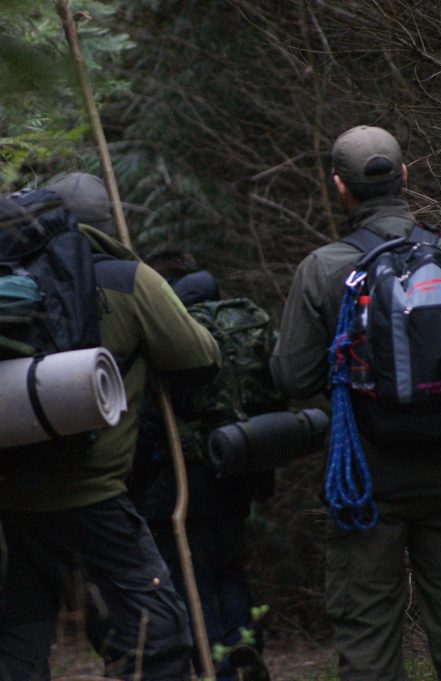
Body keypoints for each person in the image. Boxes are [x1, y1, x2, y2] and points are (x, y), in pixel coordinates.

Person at [270, 126, 441, 681]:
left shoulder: (323, 269)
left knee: (367, 630)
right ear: (405, 177)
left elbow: (293, 375)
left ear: (339, 187)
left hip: (366, 480)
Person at [0, 173, 221, 681]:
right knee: (153, 643)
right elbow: (201, 360)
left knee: (11, 654)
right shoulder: (128, 279)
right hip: (90, 500)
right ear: (110, 224)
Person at [128, 251, 272, 681]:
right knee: (230, 568)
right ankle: (246, 644)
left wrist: (135, 485)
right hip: (238, 471)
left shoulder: (170, 332)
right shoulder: (234, 321)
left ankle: (220, 670)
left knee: (194, 584)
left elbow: (149, 421)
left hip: (182, 483)